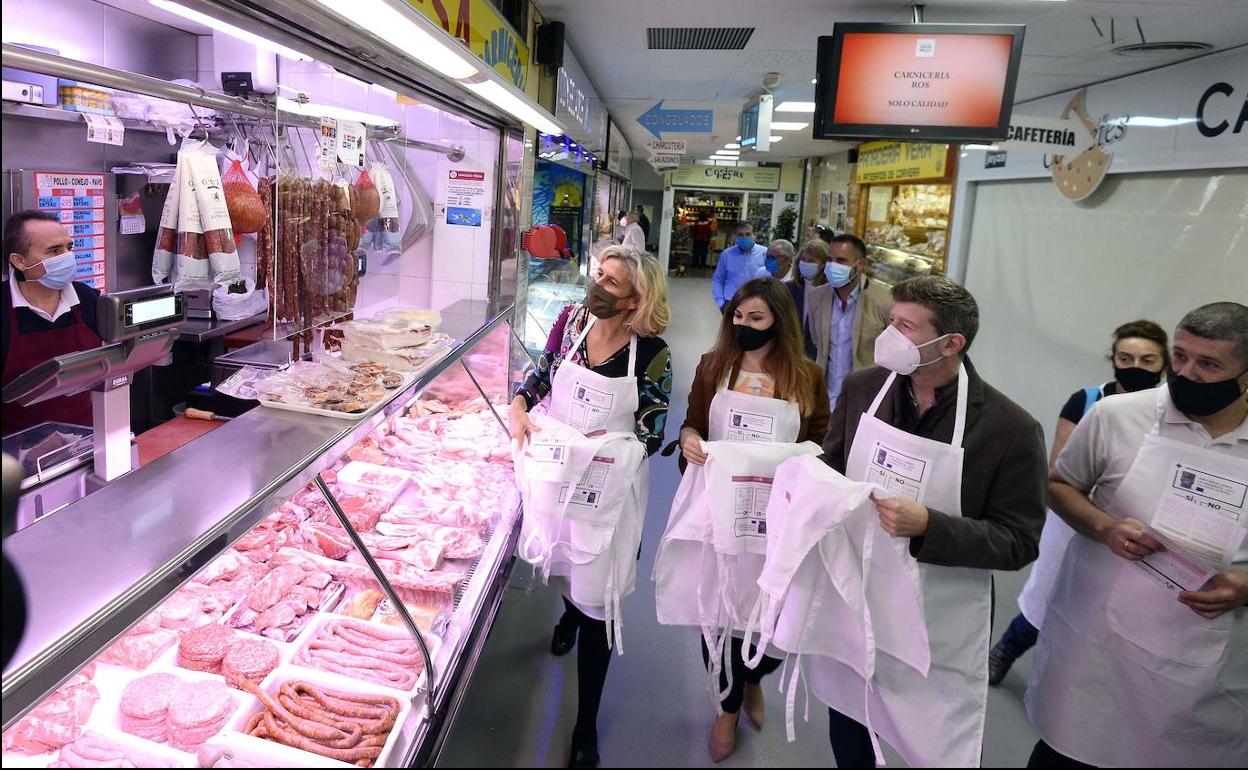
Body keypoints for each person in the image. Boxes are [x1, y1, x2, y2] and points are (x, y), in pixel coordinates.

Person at [817, 276, 1047, 768]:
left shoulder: (1010, 430)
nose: (890, 335)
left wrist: (930, 526)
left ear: (951, 344)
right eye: (891, 321)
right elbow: (833, 465)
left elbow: (1019, 541)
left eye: (906, 326)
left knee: (939, 734)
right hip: (860, 588)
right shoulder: (863, 389)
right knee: (852, 716)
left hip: (939, 612)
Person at [1025, 302, 1248, 769]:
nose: (1186, 374)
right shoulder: (1117, 416)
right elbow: (1060, 485)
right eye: (1181, 356)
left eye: (1209, 364)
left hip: (1201, 667)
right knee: (1070, 752)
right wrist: (1106, 527)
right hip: (1096, 649)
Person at [509, 246, 672, 768]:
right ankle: (567, 615)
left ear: (635, 300)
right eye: (597, 275)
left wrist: (598, 449)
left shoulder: (653, 354)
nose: (597, 286)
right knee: (563, 562)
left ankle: (584, 727)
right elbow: (542, 375)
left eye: (611, 282)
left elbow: (652, 430)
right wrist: (518, 406)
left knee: (598, 601)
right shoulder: (570, 322)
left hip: (606, 490)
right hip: (558, 477)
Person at [676, 277, 831, 760]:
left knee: (773, 615)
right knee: (719, 614)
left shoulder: (807, 376)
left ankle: (754, 679)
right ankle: (727, 709)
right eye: (737, 317)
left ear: (779, 323)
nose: (743, 325)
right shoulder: (713, 366)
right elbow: (694, 422)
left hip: (780, 514)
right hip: (721, 507)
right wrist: (688, 442)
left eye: (756, 318)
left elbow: (823, 438)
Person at [988, 320, 1170, 686]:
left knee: (1113, 611)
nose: (1136, 367)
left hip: (1144, 532)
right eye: (1126, 357)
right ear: (1113, 360)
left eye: (1147, 360)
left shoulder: (1171, 411)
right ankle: (1006, 649)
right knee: (1048, 593)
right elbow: (1060, 468)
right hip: (1078, 518)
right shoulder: (1090, 401)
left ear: (1164, 364)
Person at [2, 211, 103, 436]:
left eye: (69, 248)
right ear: (19, 261)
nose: (67, 257)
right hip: (16, 458)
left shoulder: (89, 300)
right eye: (55, 251)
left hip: (88, 443)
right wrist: (23, 454)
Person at [804, 234, 893, 412]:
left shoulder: (885, 300)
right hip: (825, 400)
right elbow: (816, 342)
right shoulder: (816, 297)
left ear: (860, 264)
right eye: (830, 260)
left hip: (866, 400)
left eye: (841, 261)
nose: (832, 266)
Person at [711, 221, 768, 311]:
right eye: (740, 235)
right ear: (736, 236)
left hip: (757, 302)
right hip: (732, 301)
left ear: (754, 235)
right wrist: (721, 303)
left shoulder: (765, 253)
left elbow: (771, 278)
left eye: (748, 234)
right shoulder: (727, 254)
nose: (744, 237)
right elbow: (718, 279)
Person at [791, 238, 829, 331]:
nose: (805, 263)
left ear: (823, 264)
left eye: (811, 261)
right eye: (803, 259)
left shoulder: (830, 292)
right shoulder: (790, 288)